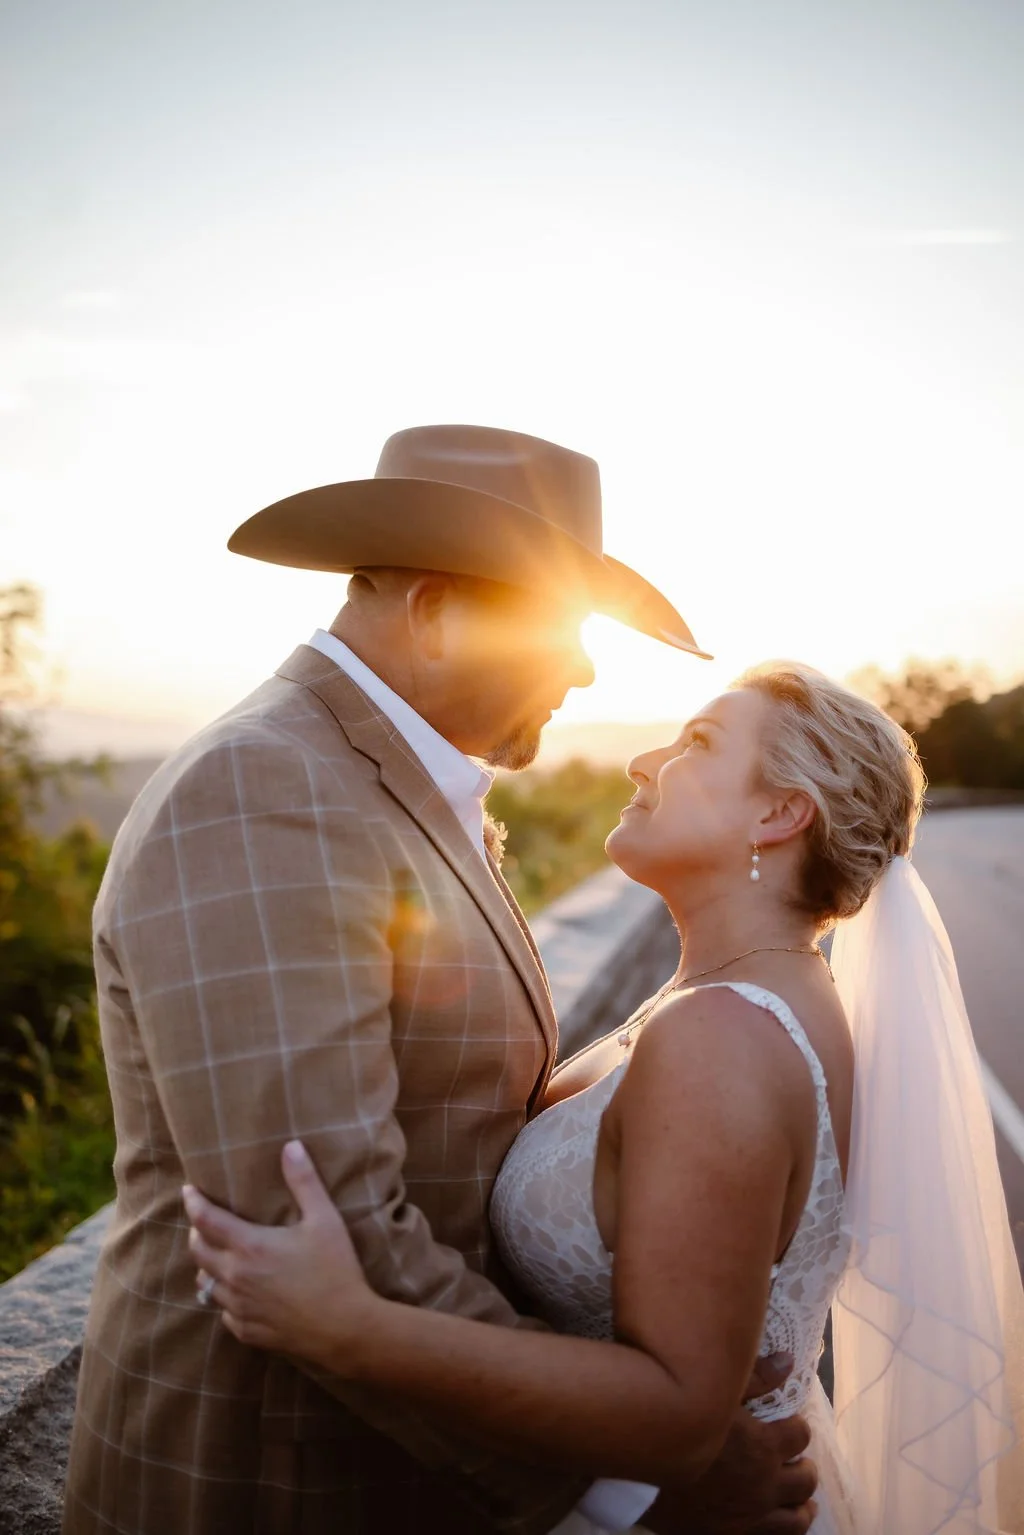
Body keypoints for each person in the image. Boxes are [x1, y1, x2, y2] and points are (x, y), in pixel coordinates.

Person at [63, 424, 817, 1535]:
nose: (586, 669)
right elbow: (321, 1228)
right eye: (564, 627)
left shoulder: (373, 789)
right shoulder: (268, 788)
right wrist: (641, 1467)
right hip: (266, 1479)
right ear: (434, 610)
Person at [184, 662, 1024, 1533]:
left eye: (697, 743)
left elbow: (676, 1409)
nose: (642, 762)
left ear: (779, 814)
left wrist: (350, 1327)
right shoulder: (724, 1003)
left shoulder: (723, 1036)